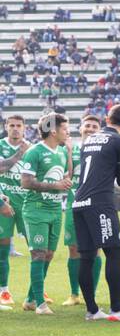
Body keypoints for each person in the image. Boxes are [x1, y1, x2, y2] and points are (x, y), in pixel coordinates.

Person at [71, 104, 120, 321]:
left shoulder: (88, 140)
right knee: (113, 252)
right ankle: (117, 309)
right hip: (100, 203)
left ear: (107, 119)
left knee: (87, 257)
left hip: (79, 202)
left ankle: (92, 311)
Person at [19, 113, 73, 315]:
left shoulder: (60, 151)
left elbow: (66, 175)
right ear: (53, 130)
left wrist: (64, 180)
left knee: (48, 254)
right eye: (65, 128)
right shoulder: (34, 152)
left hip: (55, 210)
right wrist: (55, 185)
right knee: (38, 254)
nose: (68, 132)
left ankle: (31, 299)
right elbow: (25, 182)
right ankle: (41, 304)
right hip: (36, 211)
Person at [60, 115, 105, 307]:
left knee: (95, 250)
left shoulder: (104, 151)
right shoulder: (70, 149)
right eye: (87, 125)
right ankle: (74, 293)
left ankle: (91, 294)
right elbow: (66, 176)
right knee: (73, 248)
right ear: (80, 128)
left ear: (100, 130)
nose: (90, 128)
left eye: (95, 126)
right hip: (73, 205)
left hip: (95, 205)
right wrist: (69, 153)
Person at [0, 115, 31, 308]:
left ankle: (36, 290)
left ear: (24, 128)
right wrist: (20, 153)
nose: (15, 129)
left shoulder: (34, 149)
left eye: (19, 125)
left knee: (37, 249)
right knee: (2, 249)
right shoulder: (1, 145)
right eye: (11, 125)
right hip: (4, 203)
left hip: (27, 204)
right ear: (6, 127)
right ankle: (4, 290)